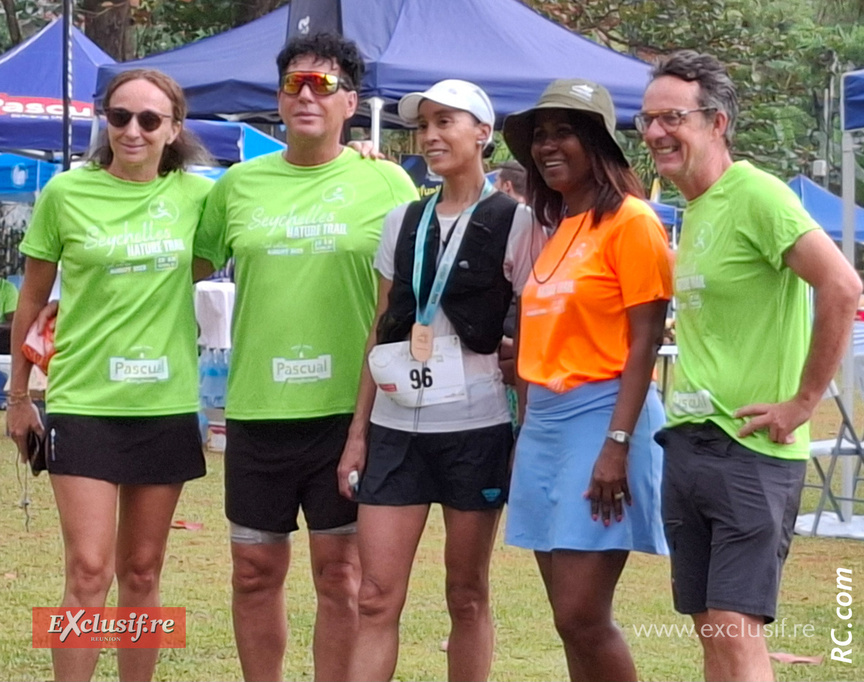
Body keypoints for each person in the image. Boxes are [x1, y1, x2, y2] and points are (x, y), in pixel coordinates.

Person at [192, 33, 418, 682]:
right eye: (295, 83)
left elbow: (412, 291)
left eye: (323, 85)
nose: (307, 95)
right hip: (259, 409)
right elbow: (185, 269)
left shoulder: (387, 181)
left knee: (341, 574)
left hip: (349, 414)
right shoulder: (236, 185)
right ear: (279, 99)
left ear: (351, 101)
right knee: (254, 571)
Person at [639, 51, 862, 682]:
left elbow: (842, 286)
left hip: (752, 450)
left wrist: (801, 404)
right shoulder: (696, 209)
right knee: (714, 634)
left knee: (733, 634)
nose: (655, 133)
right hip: (690, 442)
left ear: (718, 121)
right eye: (647, 120)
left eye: (671, 117)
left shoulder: (757, 194)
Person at [8, 68, 213, 682]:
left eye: (149, 119)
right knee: (88, 570)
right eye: (119, 116)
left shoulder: (202, 198)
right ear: (105, 121)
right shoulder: (67, 195)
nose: (132, 129)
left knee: (145, 572)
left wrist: (364, 153)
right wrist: (20, 396)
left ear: (174, 129)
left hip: (166, 403)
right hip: (84, 400)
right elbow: (31, 300)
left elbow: (282, 188)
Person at [338, 78, 538, 682]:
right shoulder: (403, 220)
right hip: (396, 426)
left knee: (467, 593)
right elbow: (382, 329)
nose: (429, 136)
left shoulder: (520, 221)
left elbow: (530, 337)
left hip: (476, 428)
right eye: (423, 124)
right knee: (374, 594)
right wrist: (357, 435)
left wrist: (525, 436)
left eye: (445, 121)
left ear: (483, 132)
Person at [502, 79, 671, 682]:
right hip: (545, 425)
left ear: (597, 141)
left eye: (564, 132)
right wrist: (526, 427)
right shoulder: (560, 227)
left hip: (602, 419)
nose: (548, 147)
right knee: (564, 617)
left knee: (582, 614)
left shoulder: (632, 222)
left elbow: (646, 340)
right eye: (539, 136)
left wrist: (617, 444)